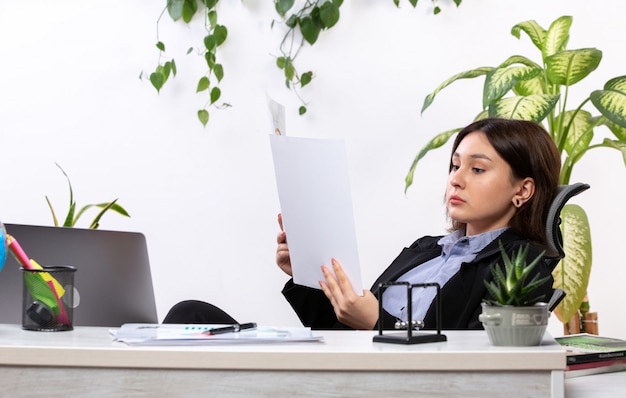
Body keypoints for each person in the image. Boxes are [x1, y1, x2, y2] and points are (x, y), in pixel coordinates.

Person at [163, 118, 560, 329]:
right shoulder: (426, 249)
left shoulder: (520, 267)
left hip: (380, 395)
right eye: (455, 165)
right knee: (190, 316)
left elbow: (479, 364)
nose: (456, 178)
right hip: (337, 367)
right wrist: (305, 272)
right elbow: (341, 332)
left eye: (477, 169)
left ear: (522, 191)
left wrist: (377, 322)